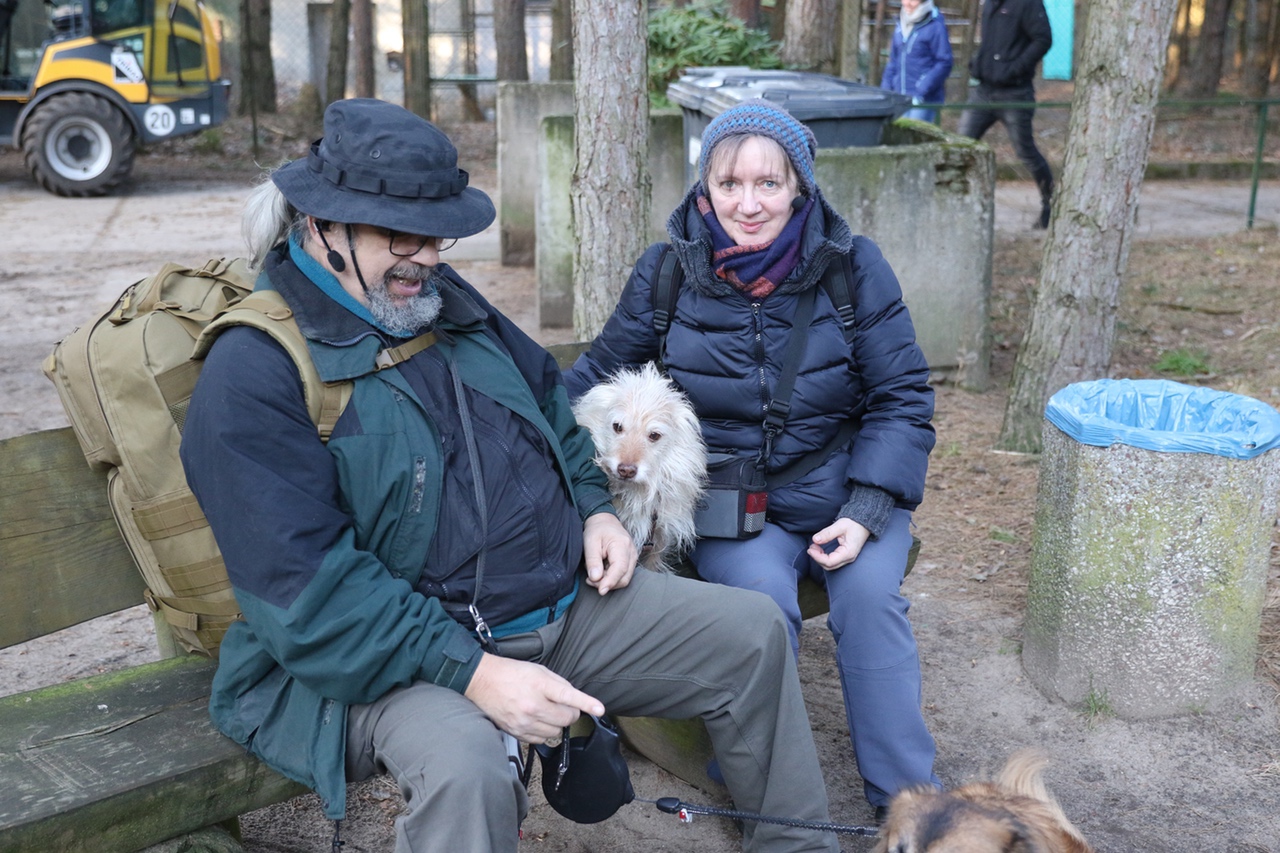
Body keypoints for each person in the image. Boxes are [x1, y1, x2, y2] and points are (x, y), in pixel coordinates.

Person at [179, 98, 839, 853]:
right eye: (401, 234)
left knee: (752, 633)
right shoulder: (254, 372)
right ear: (323, 224)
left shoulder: (441, 301)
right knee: (468, 770)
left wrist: (594, 508)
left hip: (555, 607)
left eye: (437, 234)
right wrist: (475, 673)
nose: (428, 257)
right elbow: (309, 594)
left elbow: (551, 402)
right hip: (395, 660)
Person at [563, 99, 941, 824]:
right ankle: (771, 806)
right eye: (729, 183)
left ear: (799, 187)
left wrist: (867, 509)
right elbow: (595, 377)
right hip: (736, 508)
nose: (748, 203)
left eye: (769, 183)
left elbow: (902, 395)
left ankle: (911, 808)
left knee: (869, 602)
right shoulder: (668, 270)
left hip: (848, 492)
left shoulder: (853, 267)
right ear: (705, 187)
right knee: (761, 609)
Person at [958, 0, 1054, 228]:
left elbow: (1043, 39)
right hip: (984, 91)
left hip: (1015, 93)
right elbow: (991, 41)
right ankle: (955, 209)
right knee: (958, 147)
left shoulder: (1028, 4)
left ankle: (1050, 204)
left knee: (1026, 152)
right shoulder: (989, 3)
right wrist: (978, 63)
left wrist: (1015, 68)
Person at [879, 0, 954, 124]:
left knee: (913, 133)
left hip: (923, 100)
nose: (907, 3)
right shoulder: (900, 24)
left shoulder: (935, 25)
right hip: (899, 97)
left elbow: (944, 62)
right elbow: (893, 61)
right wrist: (886, 89)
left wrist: (922, 88)